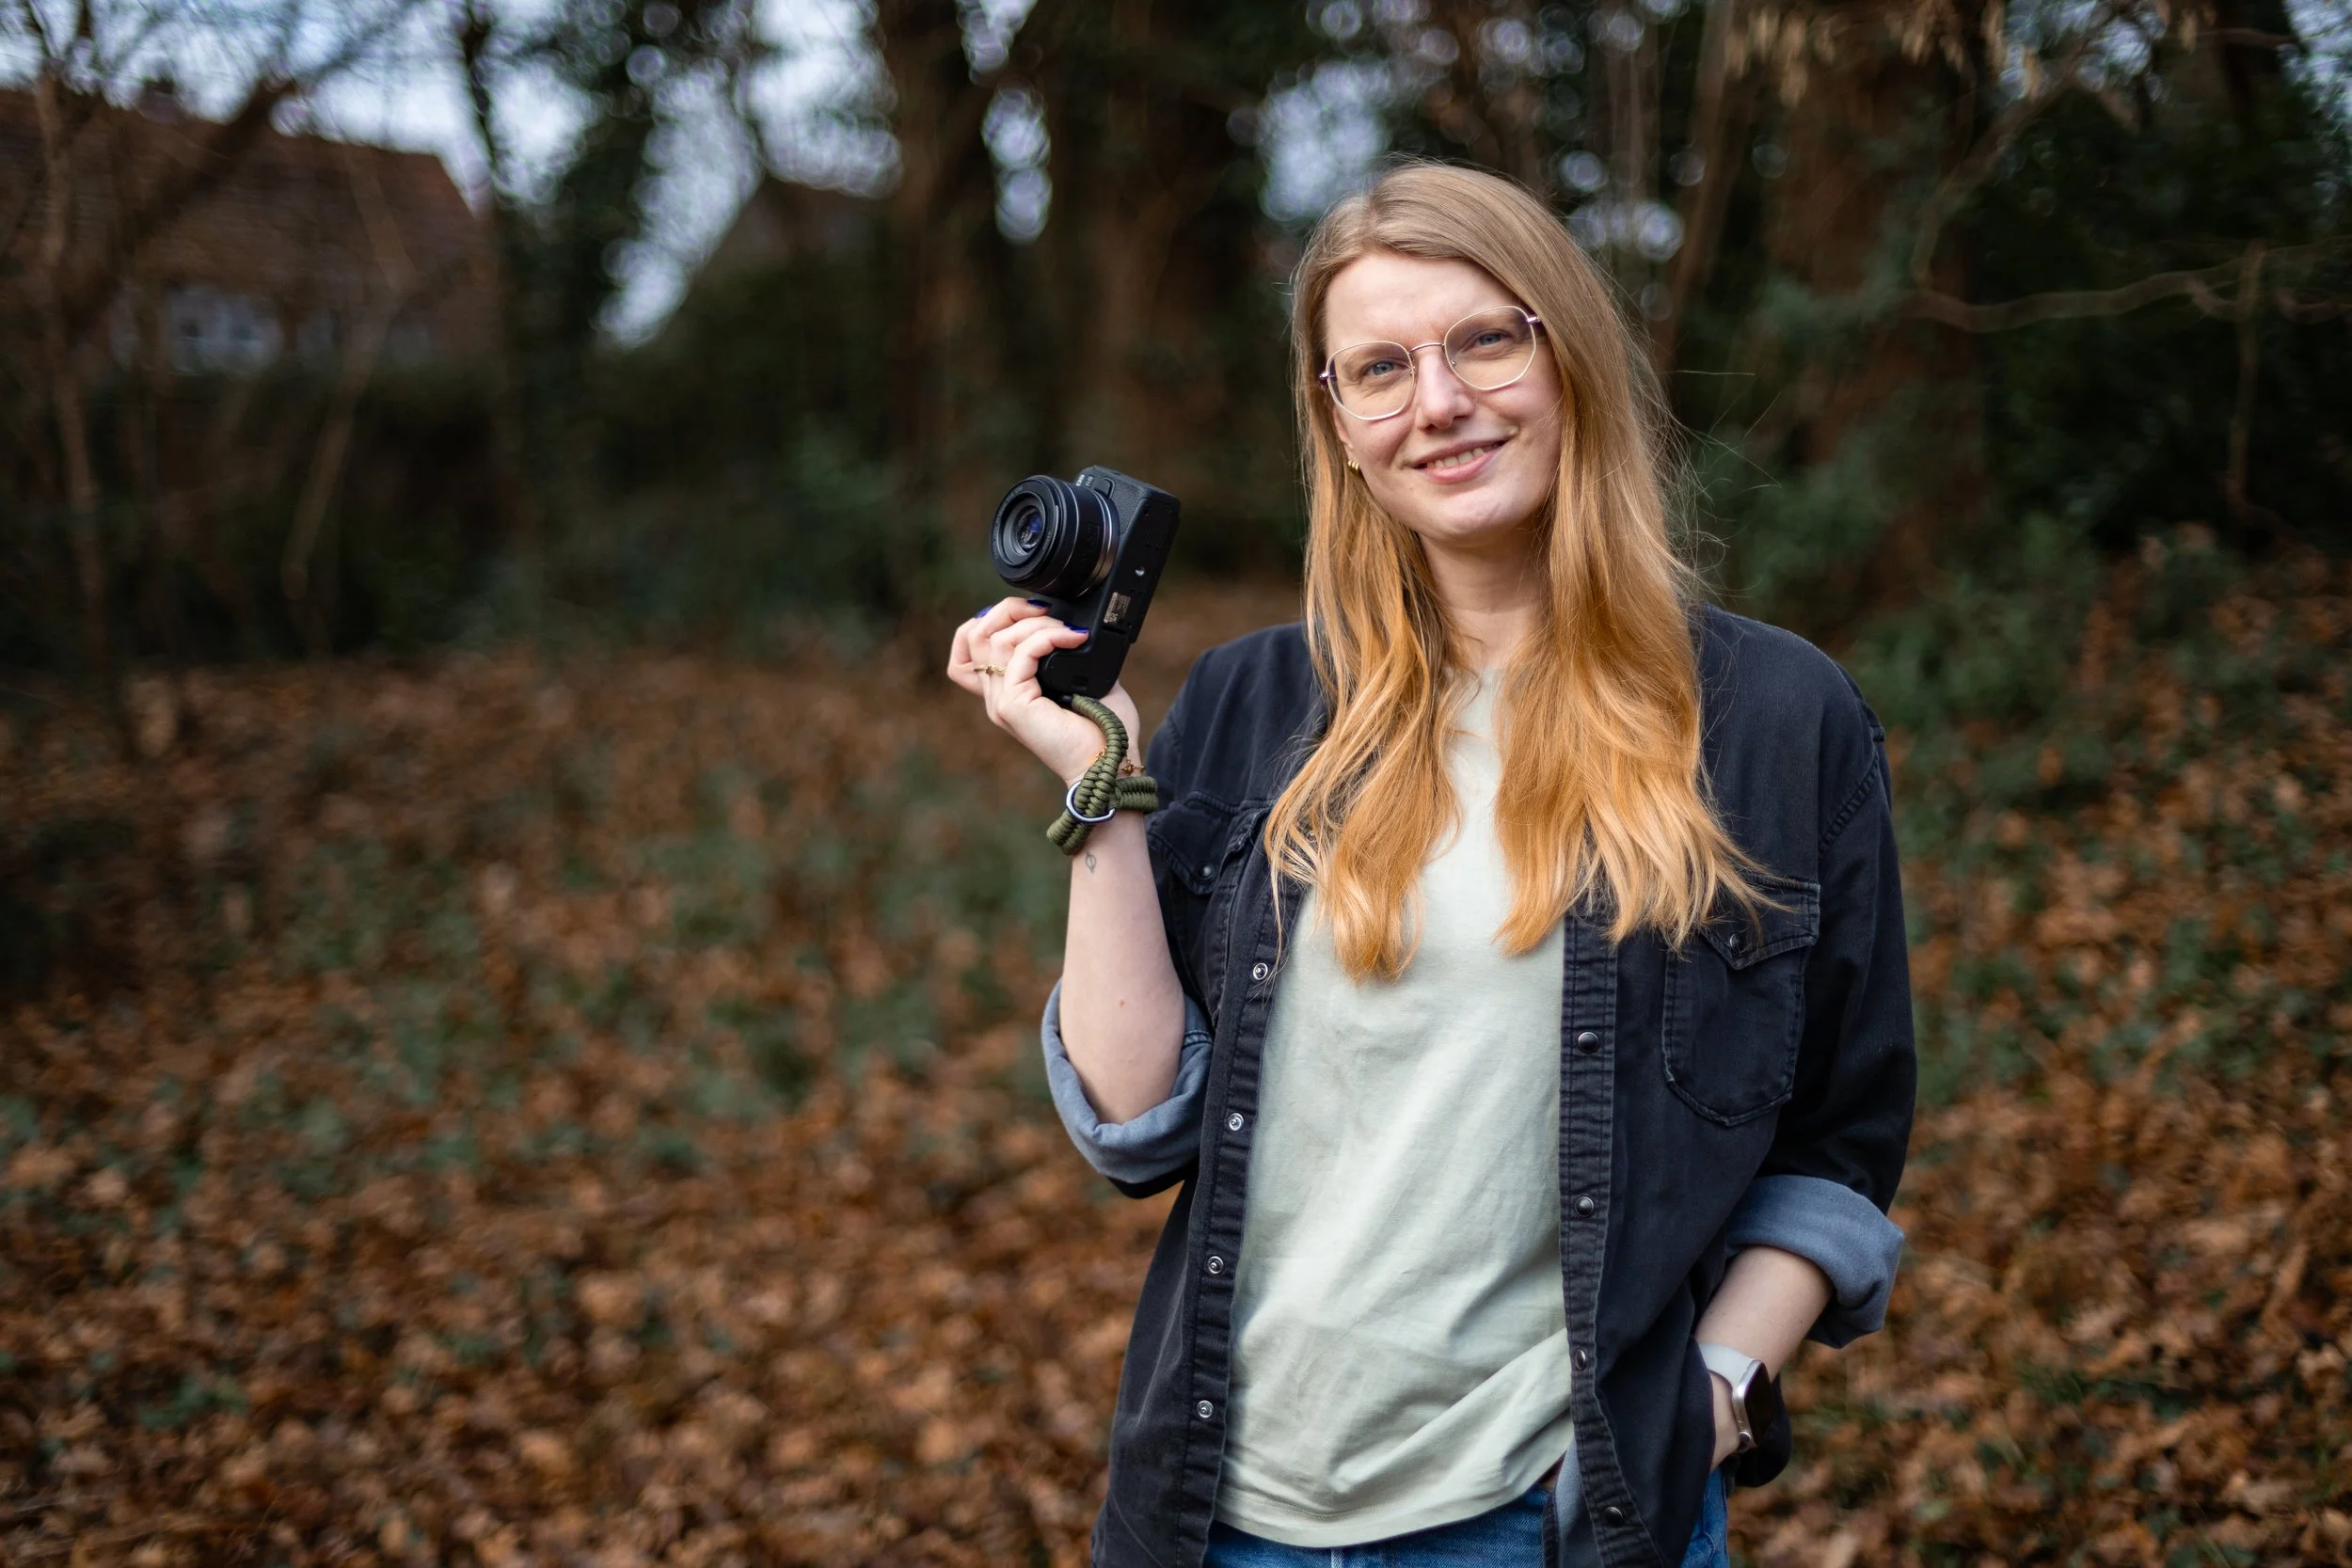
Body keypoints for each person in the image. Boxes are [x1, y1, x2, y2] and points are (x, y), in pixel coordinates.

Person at [946, 161, 1914, 1568]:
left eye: (1484, 340)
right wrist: (1101, 788)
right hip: (1215, 1514)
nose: (1439, 403)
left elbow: (1841, 1132)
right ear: (1336, 426)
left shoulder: (1773, 719)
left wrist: (1710, 1395)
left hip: (1551, 1524)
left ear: (1567, 354)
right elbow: (1135, 1117)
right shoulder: (1253, 703)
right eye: (1379, 369)